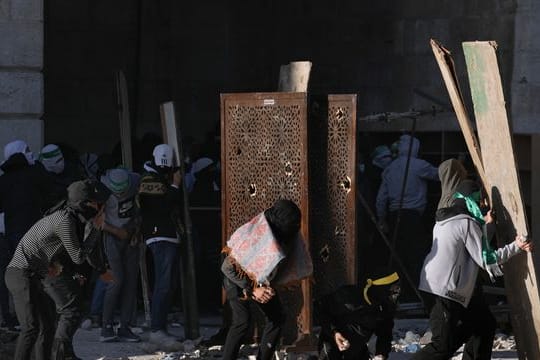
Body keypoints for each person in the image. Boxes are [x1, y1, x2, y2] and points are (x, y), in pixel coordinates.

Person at [411, 180, 532, 360]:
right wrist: (517, 246)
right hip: (445, 290)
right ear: (472, 202)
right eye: (480, 202)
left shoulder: (447, 220)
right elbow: (486, 258)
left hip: (451, 288)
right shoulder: (466, 223)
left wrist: (487, 223)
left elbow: (472, 243)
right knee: (441, 346)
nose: (483, 205)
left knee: (483, 325)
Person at [5, 179, 110, 360]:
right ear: (85, 204)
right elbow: (78, 256)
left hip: (36, 275)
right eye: (97, 203)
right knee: (31, 328)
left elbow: (69, 260)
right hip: (20, 274)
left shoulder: (68, 217)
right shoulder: (63, 220)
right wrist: (96, 229)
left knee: (48, 326)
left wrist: (85, 272)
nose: (101, 208)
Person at [221, 199, 312, 360]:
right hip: (236, 277)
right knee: (242, 322)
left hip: (260, 282)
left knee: (277, 317)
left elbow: (270, 266)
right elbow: (228, 268)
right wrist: (253, 289)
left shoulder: (284, 232)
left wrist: (268, 287)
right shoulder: (255, 234)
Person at [375, 134, 439, 301]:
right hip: (412, 218)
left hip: (393, 217)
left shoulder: (390, 169)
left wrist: (382, 221)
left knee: (398, 258)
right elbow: (441, 175)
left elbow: (381, 199)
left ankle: (400, 296)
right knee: (417, 257)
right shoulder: (419, 165)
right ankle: (422, 295)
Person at [0, 140, 53, 329]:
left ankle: (14, 318)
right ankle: (36, 317)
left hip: (12, 234)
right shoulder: (35, 174)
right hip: (35, 233)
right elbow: (50, 194)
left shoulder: (4, 180)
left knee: (15, 278)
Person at [137, 144, 184, 348]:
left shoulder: (157, 177)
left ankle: (160, 327)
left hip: (167, 236)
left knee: (168, 284)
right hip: (159, 236)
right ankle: (157, 329)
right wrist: (174, 186)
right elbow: (160, 208)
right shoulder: (149, 180)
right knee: (163, 285)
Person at [317, 269, 400, 360]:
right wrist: (334, 332)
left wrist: (381, 354)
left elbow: (385, 333)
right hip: (333, 343)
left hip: (357, 348)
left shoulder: (385, 307)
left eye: (397, 289)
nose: (395, 295)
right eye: (392, 290)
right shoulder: (349, 296)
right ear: (380, 289)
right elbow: (321, 309)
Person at [99, 168, 141, 342]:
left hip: (130, 234)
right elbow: (96, 221)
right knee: (116, 280)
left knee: (131, 281)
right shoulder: (101, 192)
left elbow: (139, 209)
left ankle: (125, 326)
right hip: (111, 236)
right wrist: (117, 231)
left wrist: (135, 232)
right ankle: (106, 326)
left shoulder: (135, 182)